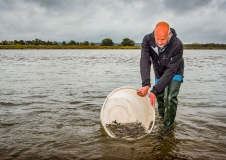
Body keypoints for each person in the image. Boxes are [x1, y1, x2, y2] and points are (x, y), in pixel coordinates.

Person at [137, 21, 184, 129]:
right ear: (154, 33)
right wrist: (146, 83)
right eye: (157, 38)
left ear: (169, 34)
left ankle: (168, 127)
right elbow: (145, 61)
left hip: (175, 70)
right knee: (161, 99)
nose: (159, 42)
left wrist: (154, 90)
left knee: (170, 97)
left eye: (163, 39)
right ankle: (163, 120)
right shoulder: (147, 39)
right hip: (159, 70)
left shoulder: (177, 44)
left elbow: (171, 70)